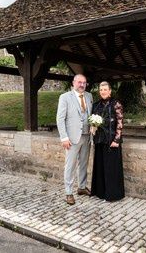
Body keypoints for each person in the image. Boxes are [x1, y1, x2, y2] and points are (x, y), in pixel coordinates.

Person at [56, 74, 93, 205]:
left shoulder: (89, 96)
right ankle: (68, 192)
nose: (82, 85)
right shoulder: (65, 97)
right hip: (71, 138)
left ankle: (82, 187)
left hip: (87, 136)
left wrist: (93, 126)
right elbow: (60, 119)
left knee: (83, 163)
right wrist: (64, 137)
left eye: (84, 82)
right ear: (73, 83)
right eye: (79, 82)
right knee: (70, 166)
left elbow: (90, 115)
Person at [91, 81, 125, 201]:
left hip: (112, 141)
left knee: (111, 168)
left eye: (105, 89)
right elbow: (92, 122)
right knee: (100, 167)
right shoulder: (96, 105)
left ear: (110, 91)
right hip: (99, 140)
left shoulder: (116, 104)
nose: (103, 92)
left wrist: (116, 139)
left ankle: (113, 194)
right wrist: (93, 128)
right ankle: (100, 193)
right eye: (101, 90)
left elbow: (120, 123)